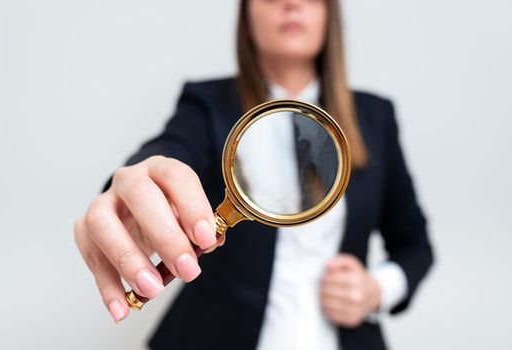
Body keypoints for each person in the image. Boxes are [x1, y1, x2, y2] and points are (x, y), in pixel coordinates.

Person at [74, 0, 434, 349]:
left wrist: (376, 290)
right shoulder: (205, 103)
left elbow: (415, 244)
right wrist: (134, 185)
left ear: (330, 15)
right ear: (247, 14)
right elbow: (167, 151)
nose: (292, 3)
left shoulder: (376, 116)